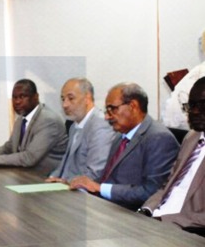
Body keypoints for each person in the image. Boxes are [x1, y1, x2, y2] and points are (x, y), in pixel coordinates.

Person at [70, 82, 179, 210]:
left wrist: (100, 188)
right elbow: (108, 177)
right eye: (106, 110)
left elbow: (151, 192)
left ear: (133, 106)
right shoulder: (120, 135)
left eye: (112, 109)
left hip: (128, 214)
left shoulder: (159, 138)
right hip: (104, 206)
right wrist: (81, 183)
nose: (107, 116)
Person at [141, 76, 205, 232]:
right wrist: (147, 209)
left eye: (203, 105)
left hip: (185, 231)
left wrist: (165, 220)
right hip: (156, 219)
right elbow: (167, 185)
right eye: (191, 105)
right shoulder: (191, 138)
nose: (194, 111)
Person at [0, 79, 68, 175]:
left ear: (36, 97)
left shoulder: (48, 120)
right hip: (26, 176)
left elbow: (29, 157)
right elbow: (9, 148)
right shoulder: (21, 119)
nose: (17, 101)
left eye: (22, 97)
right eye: (14, 97)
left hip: (48, 179)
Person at [46, 78, 116, 182]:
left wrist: (67, 183)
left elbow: (95, 172)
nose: (65, 105)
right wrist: (52, 178)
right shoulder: (74, 126)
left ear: (87, 98)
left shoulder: (100, 125)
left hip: (80, 190)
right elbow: (65, 165)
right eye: (63, 99)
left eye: (71, 98)